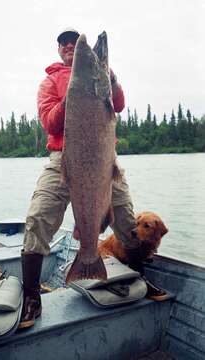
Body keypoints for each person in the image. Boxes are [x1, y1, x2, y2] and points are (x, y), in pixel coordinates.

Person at [19, 28, 166, 329]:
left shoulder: (101, 75)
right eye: (64, 43)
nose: (70, 46)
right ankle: (32, 296)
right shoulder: (50, 82)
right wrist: (74, 96)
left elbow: (120, 103)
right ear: (59, 50)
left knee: (127, 221)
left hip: (104, 162)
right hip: (64, 159)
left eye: (73, 42)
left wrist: (110, 79)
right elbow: (48, 120)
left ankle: (139, 278)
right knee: (38, 217)